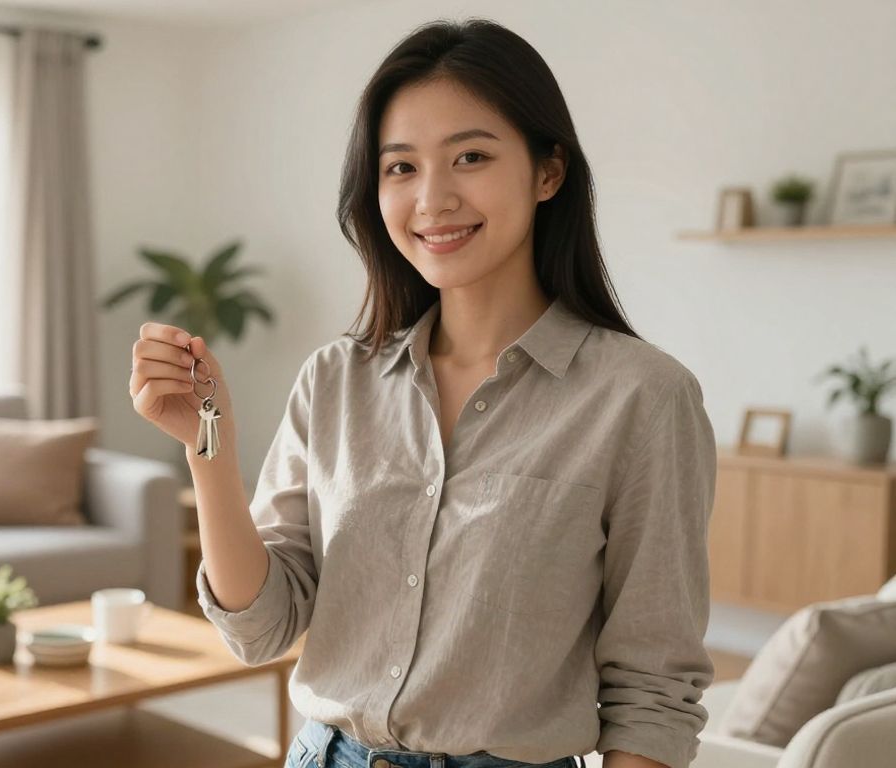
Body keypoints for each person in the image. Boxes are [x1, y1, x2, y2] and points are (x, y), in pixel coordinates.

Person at [129, 16, 715, 768]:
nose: (432, 198)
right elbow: (262, 629)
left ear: (548, 172)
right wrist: (207, 441)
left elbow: (653, 693)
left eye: (470, 156)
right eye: (400, 167)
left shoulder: (641, 398)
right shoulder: (336, 379)